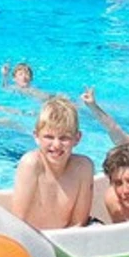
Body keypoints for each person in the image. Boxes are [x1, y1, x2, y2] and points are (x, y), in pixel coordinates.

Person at [10, 95, 95, 229]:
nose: (56, 145)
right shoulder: (31, 164)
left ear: (77, 138)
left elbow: (78, 223)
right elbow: (18, 220)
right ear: (36, 137)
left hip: (67, 237)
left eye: (64, 138)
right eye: (49, 137)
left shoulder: (83, 167)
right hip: (32, 237)